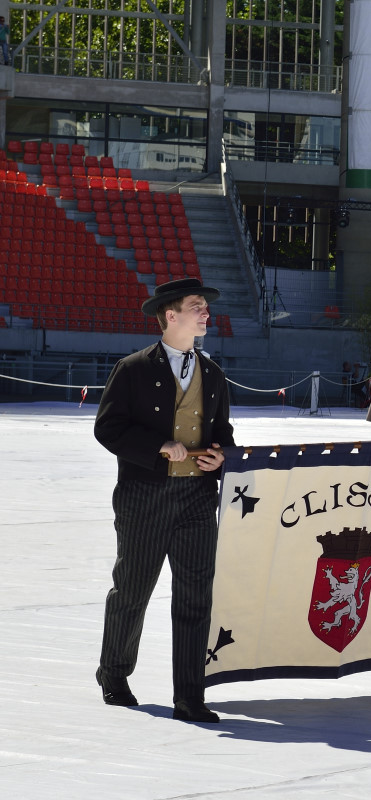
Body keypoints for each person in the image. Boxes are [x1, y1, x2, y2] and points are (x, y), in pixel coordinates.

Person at [93, 278, 235, 724]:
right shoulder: (133, 368)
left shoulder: (212, 373)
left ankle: (190, 696)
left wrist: (220, 456)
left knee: (196, 596)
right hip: (145, 496)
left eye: (206, 308)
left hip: (197, 497)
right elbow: (108, 429)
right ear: (171, 315)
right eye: (197, 307)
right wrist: (158, 446)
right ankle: (113, 674)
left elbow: (223, 432)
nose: (206, 313)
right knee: (133, 589)